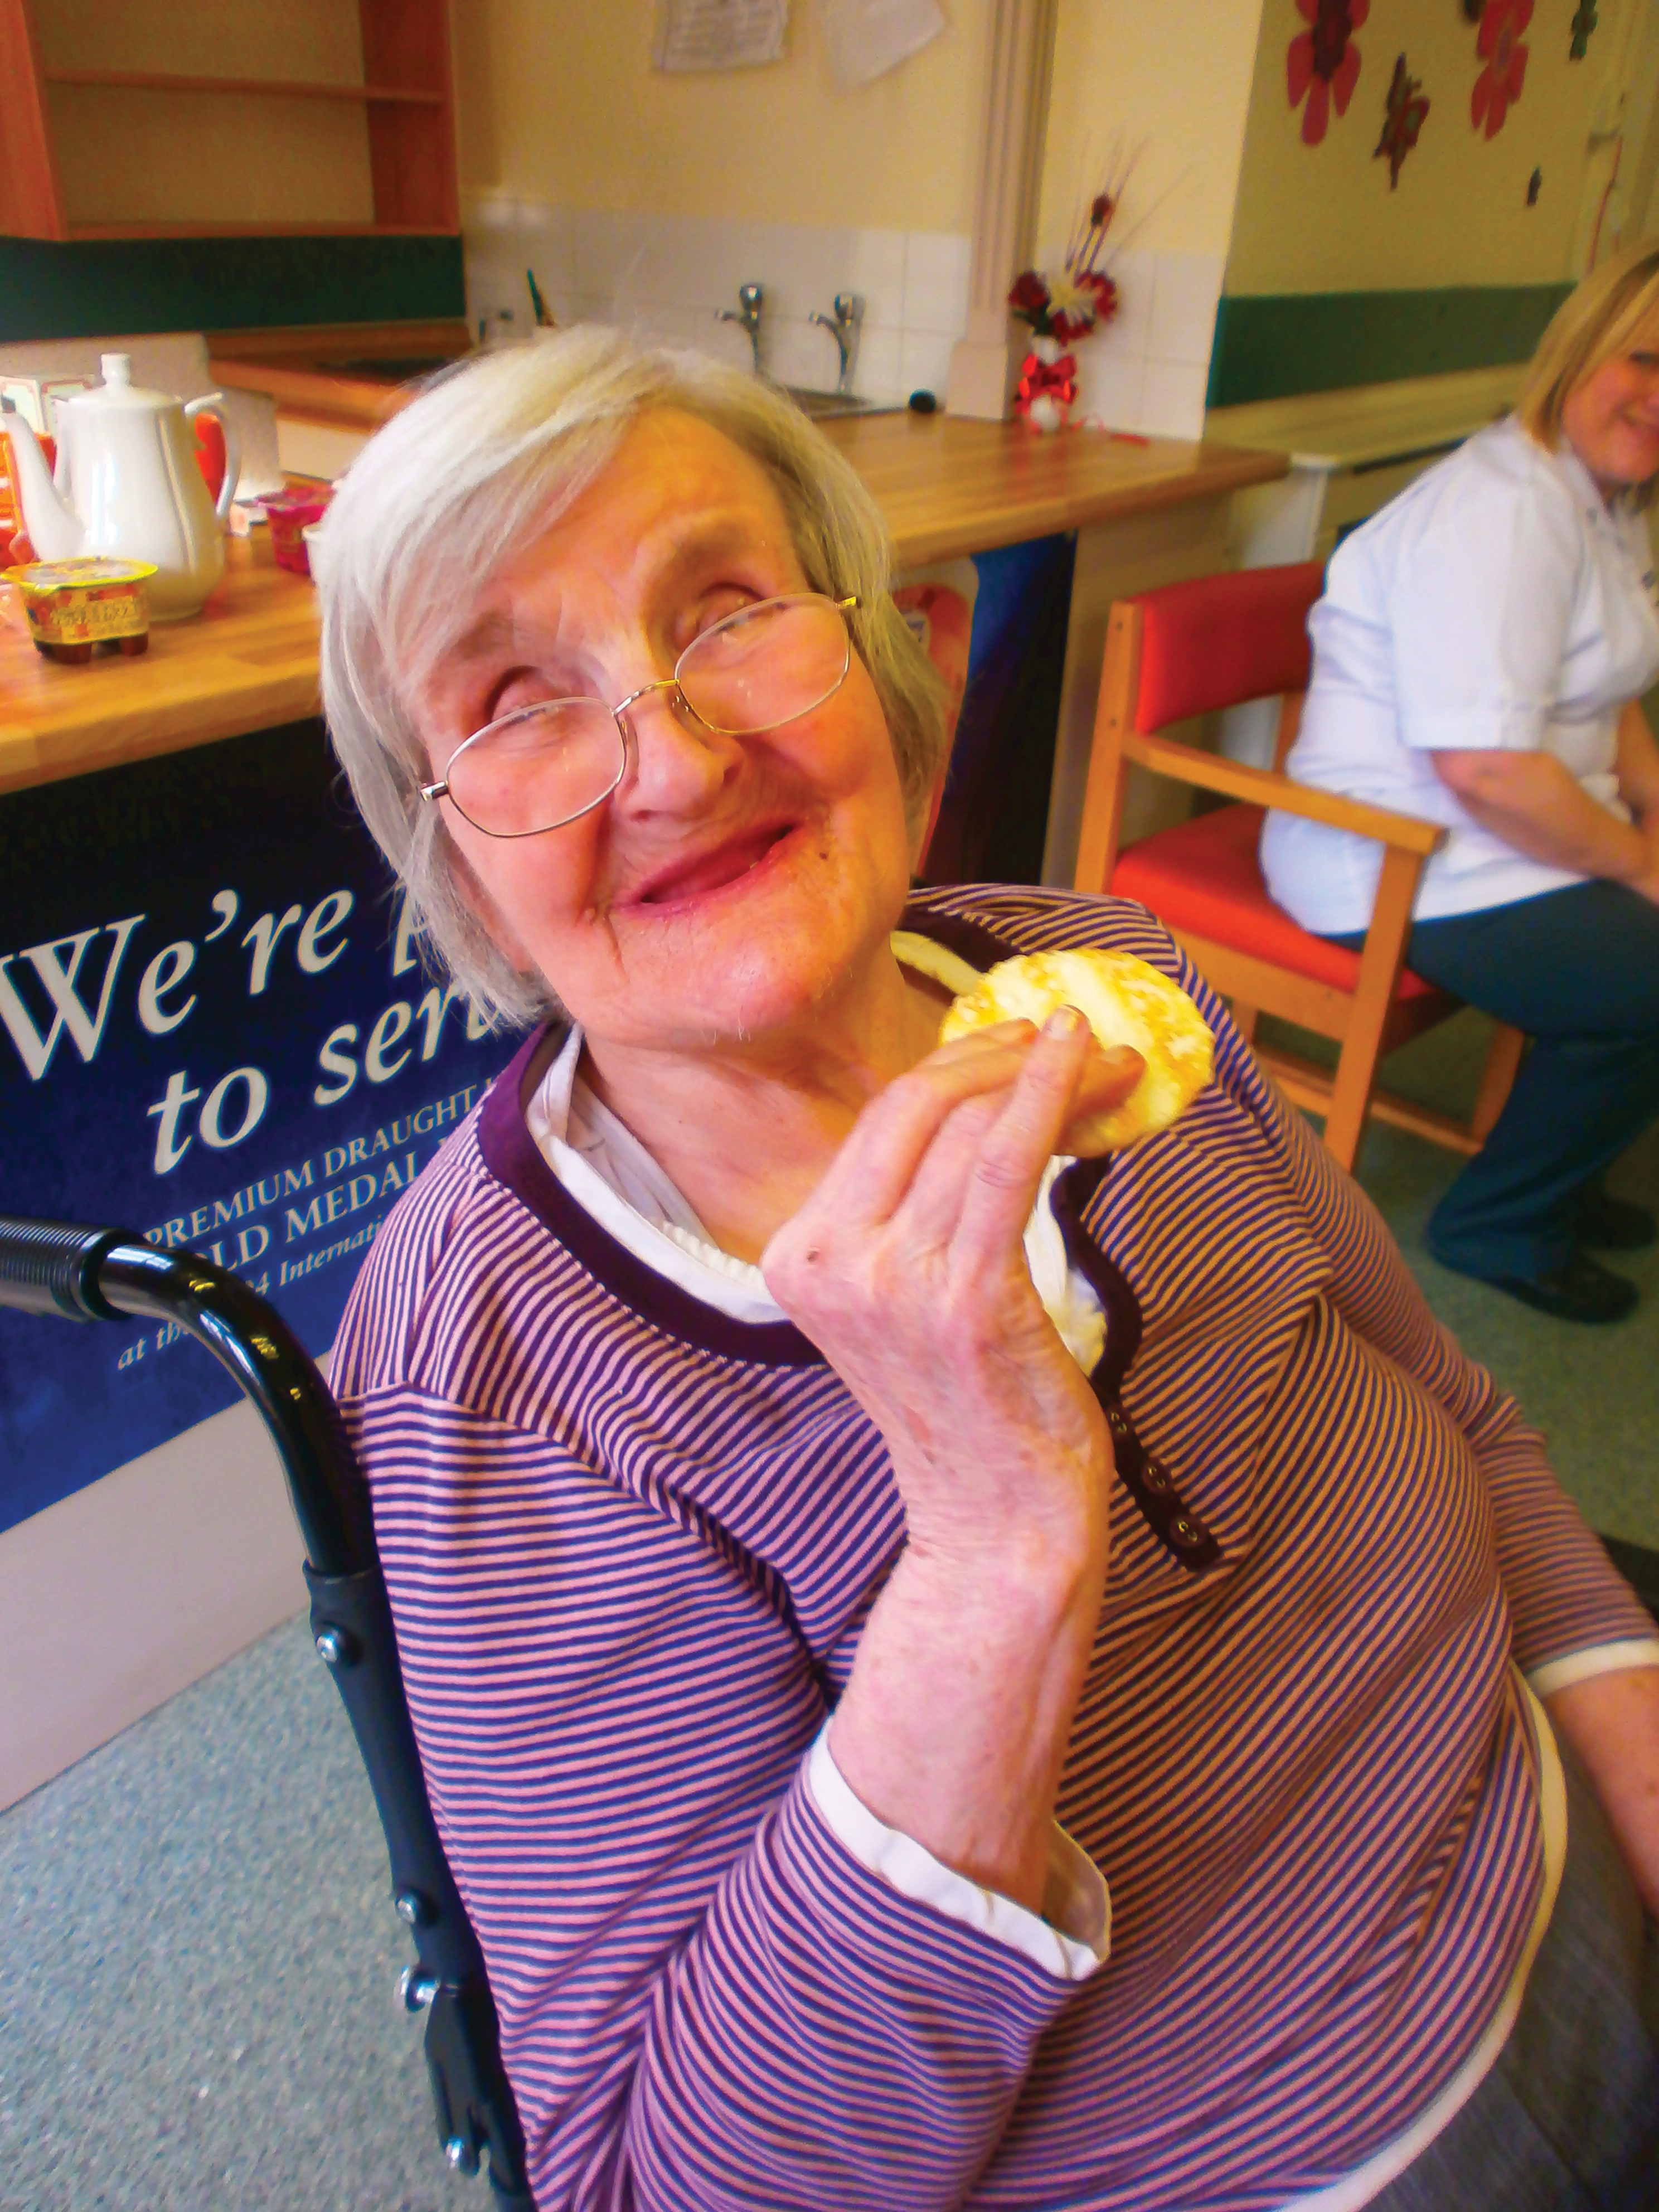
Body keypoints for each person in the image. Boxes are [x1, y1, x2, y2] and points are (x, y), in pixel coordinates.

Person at [315, 328, 1659, 2212]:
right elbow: (671, 2185)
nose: (680, 757)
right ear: (457, 869)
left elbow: (1445, 1400)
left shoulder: (1108, 968)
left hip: (1576, 1837)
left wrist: (1617, 1710)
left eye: (724, 610)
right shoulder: (494, 1370)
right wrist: (989, 1554)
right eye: (518, 698)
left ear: (883, 649)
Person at [1260, 239, 1659, 1325]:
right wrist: (1638, 862)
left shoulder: (1606, 502)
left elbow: (1614, 686)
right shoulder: (1502, 510)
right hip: (1397, 854)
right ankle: (1501, 1221)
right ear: (1579, 352)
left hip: (1497, 842)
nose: (1657, 401)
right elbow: (1482, 766)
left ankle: (1559, 1171)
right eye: (1645, 363)